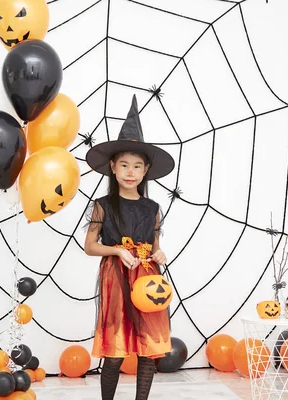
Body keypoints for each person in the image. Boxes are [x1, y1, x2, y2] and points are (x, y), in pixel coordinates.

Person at [84, 95, 175, 400]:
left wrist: (160, 254)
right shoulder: (103, 206)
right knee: (115, 350)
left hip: (148, 278)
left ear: (146, 169)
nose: (130, 172)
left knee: (148, 351)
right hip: (117, 279)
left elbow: (155, 247)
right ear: (112, 166)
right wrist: (117, 251)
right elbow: (90, 246)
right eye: (124, 164)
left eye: (137, 166)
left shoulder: (153, 208)